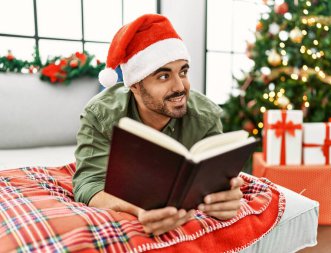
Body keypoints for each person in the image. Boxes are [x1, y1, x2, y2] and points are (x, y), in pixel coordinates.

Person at [73, 14, 243, 236]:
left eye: (183, 71)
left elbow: (216, 182)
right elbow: (89, 185)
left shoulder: (206, 116)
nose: (180, 87)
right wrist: (138, 208)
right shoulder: (100, 114)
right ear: (135, 85)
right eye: (164, 76)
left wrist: (226, 199)